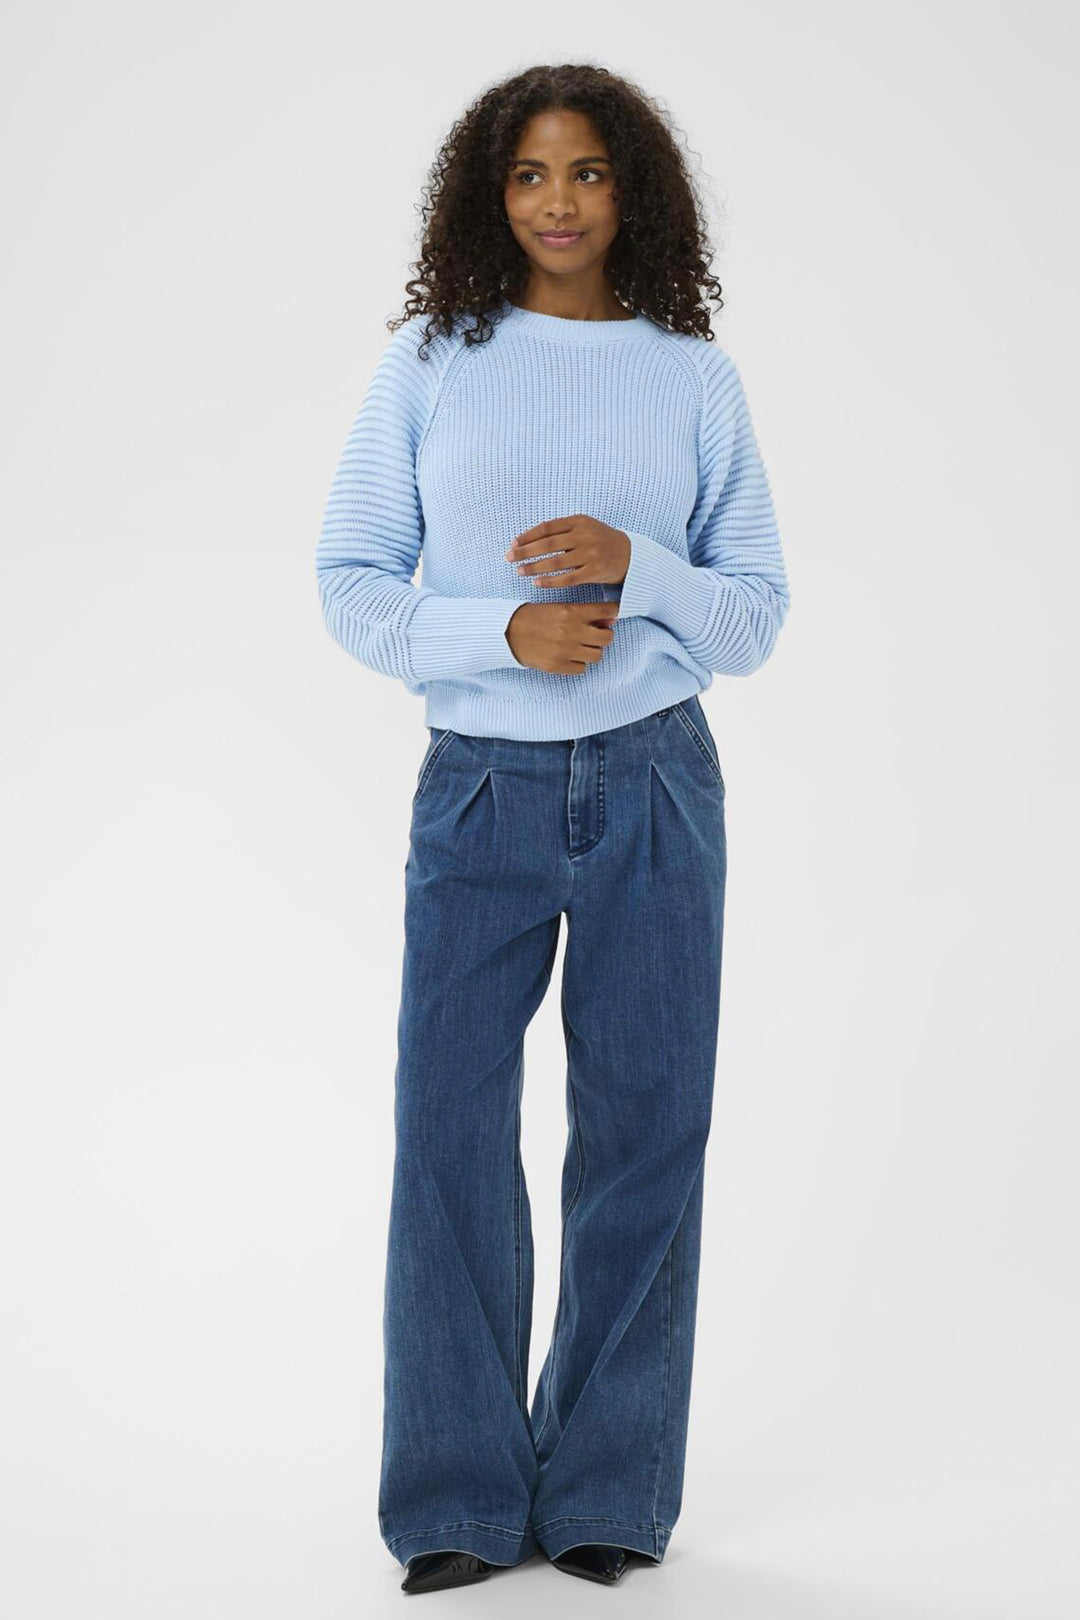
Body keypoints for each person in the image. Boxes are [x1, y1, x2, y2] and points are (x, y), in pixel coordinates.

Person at [315, 62, 791, 1596]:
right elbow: (350, 582)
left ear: (631, 190)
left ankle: (605, 1491)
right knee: (449, 1129)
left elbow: (755, 616)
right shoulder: (432, 362)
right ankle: (456, 1496)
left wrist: (641, 565)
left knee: (645, 1132)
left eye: (587, 171)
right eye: (529, 173)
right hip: (479, 787)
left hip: (656, 782)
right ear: (489, 193)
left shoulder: (691, 375)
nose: (560, 201)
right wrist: (500, 634)